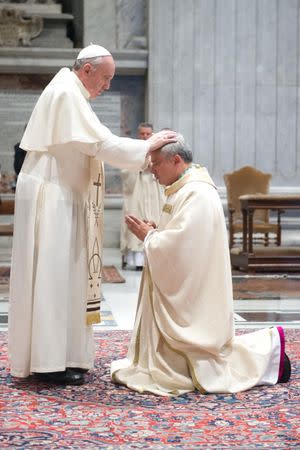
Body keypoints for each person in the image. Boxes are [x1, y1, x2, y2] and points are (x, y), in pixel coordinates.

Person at [8, 44, 177, 385]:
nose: (107, 86)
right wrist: (146, 147)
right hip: (52, 195)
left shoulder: (70, 91)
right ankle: (48, 362)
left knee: (65, 276)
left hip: (63, 194)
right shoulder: (66, 93)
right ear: (87, 70)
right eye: (105, 78)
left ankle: (64, 356)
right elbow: (100, 144)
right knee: (53, 277)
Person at [111, 134, 291, 396]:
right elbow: (179, 237)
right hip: (190, 280)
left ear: (176, 160)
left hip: (196, 289)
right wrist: (156, 231)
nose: (153, 171)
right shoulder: (183, 188)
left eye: (156, 164)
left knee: (208, 360)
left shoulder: (198, 193)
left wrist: (149, 237)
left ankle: (268, 354)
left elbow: (180, 246)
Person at [120, 123, 165, 270]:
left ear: (152, 134)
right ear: (138, 134)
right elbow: (125, 170)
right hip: (138, 189)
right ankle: (136, 261)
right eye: (142, 134)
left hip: (154, 187)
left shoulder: (158, 149)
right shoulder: (134, 150)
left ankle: (152, 257)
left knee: (154, 219)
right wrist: (140, 165)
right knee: (137, 217)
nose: (145, 136)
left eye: (148, 134)